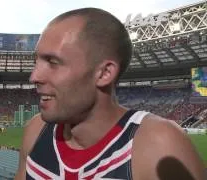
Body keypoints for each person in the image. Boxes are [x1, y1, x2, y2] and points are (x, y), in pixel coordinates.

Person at [15, 8, 206, 180]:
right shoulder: (36, 131)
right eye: (37, 62)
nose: (34, 76)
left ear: (105, 73)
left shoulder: (159, 146)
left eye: (53, 62)